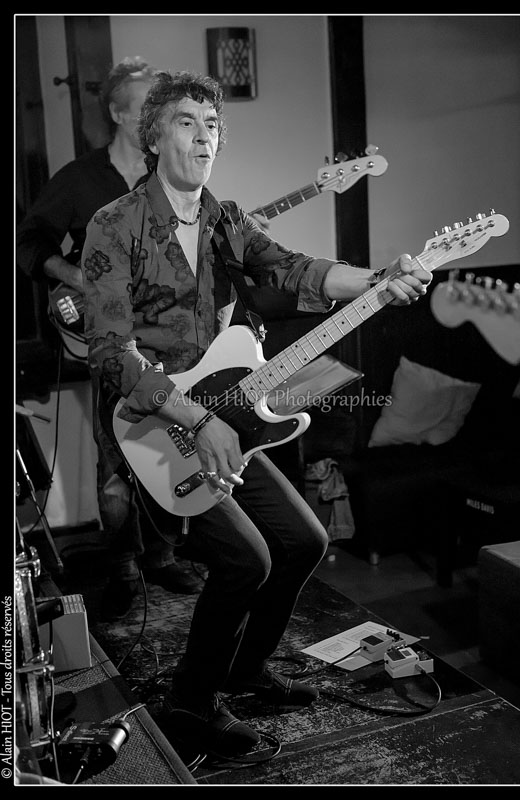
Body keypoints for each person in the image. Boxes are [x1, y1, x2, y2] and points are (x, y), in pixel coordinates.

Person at [81, 69, 432, 758]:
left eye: (212, 125)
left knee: (303, 543)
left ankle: (244, 670)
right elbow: (109, 353)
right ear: (154, 137)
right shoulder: (114, 224)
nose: (203, 136)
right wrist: (196, 419)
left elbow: (297, 270)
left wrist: (378, 279)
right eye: (186, 122)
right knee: (245, 559)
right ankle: (190, 704)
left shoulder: (224, 221)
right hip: (151, 427)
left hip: (220, 416)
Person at [16, 57, 204, 618]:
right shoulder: (78, 179)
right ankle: (123, 568)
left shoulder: (166, 174)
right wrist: (78, 277)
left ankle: (162, 556)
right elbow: (29, 244)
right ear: (120, 114)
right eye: (148, 103)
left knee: (168, 448)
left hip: (164, 340)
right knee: (116, 459)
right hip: (106, 339)